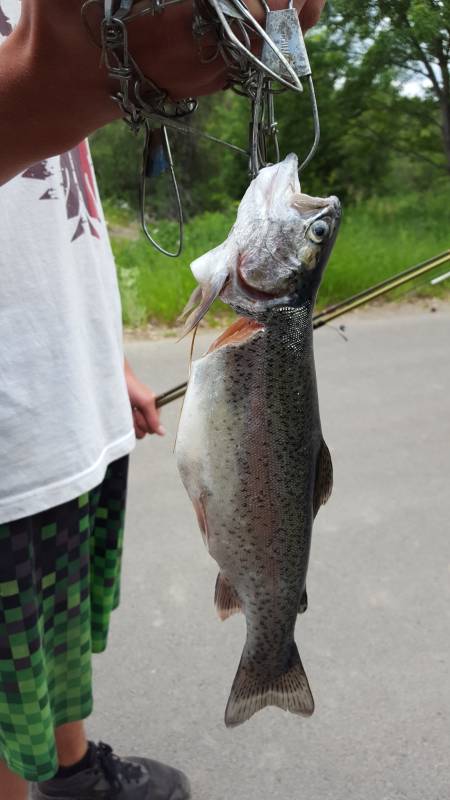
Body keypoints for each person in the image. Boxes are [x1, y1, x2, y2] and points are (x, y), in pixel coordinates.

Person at [0, 1, 326, 799]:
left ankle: (70, 772)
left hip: (68, 392)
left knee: (55, 633)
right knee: (7, 676)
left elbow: (41, 223)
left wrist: (103, 358)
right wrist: (55, 75)